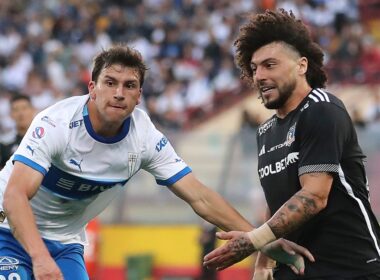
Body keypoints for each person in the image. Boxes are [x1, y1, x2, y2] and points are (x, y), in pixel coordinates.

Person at [0, 44, 313, 280]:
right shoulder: (54, 124)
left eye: (129, 86)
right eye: (110, 83)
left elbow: (200, 196)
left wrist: (263, 240)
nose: (119, 93)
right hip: (7, 230)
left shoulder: (144, 138)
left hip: (66, 241)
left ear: (139, 96)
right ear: (92, 89)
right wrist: (39, 259)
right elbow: (14, 196)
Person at [203, 9, 380, 280]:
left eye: (270, 65)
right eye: (254, 68)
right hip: (297, 268)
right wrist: (263, 263)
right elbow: (277, 203)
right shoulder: (266, 130)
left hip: (350, 267)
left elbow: (314, 197)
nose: (259, 76)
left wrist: (252, 241)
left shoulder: (322, 110)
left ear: (301, 66)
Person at [0, 94, 36, 168]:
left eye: (24, 108)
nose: (21, 114)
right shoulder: (4, 144)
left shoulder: (45, 139)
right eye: (16, 110)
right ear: (11, 114)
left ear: (33, 110)